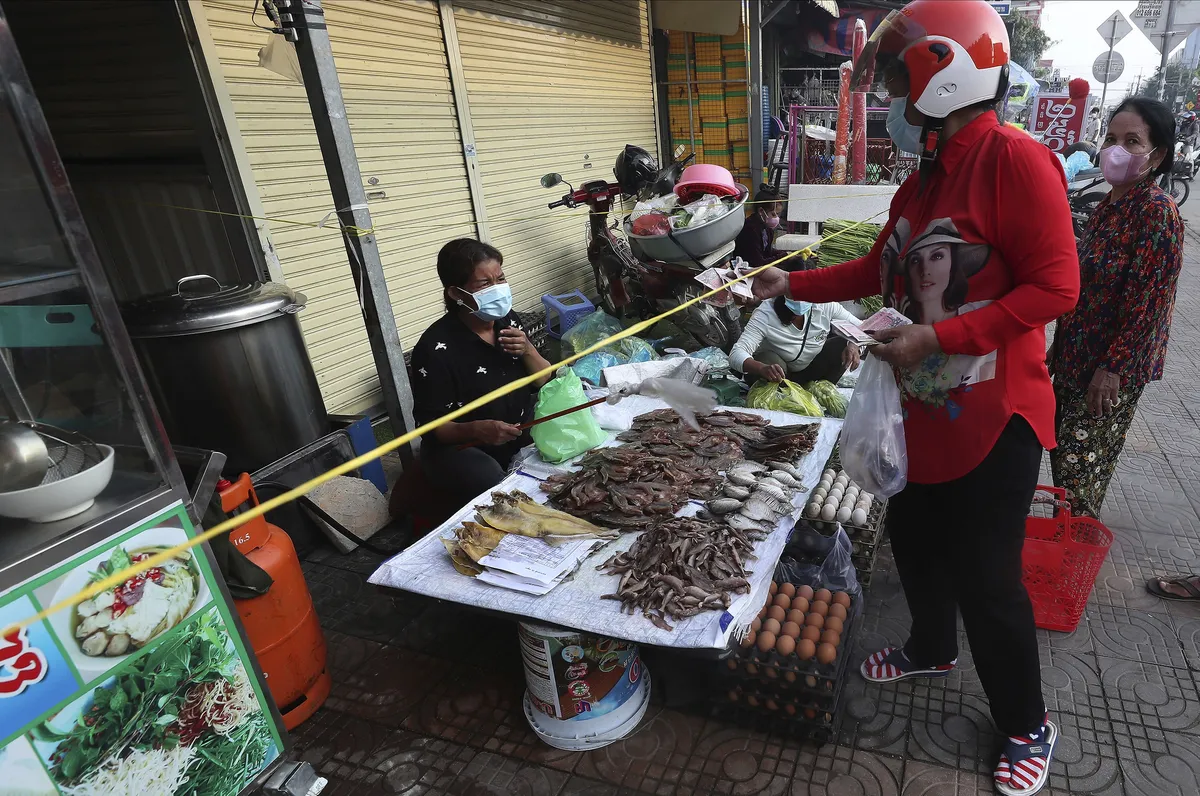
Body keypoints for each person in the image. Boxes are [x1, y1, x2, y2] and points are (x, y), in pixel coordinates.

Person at [751, 3, 1079, 794]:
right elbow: (878, 269)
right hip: (922, 411)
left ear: (947, 73)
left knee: (988, 579)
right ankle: (931, 646)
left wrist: (941, 338)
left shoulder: (1016, 162)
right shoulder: (928, 173)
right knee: (915, 539)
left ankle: (1028, 723)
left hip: (995, 415)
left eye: (900, 77)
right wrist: (788, 282)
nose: (894, 95)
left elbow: (1057, 286)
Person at [1050, 98, 1183, 523]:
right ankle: (1067, 535)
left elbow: (1150, 304)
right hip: (1077, 354)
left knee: (1080, 464)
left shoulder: (1156, 212)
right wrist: (1060, 342)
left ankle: (1072, 548)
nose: (1115, 149)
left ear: (1157, 154)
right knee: (1065, 453)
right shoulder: (1109, 206)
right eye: (1110, 138)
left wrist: (1112, 369)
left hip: (1110, 366)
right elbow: (1085, 284)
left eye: (1132, 141)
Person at [410, 239, 552, 507]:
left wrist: (528, 350)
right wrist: (476, 430)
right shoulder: (436, 349)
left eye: (500, 278)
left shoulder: (508, 321)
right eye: (485, 284)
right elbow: (432, 428)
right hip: (464, 446)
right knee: (502, 495)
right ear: (456, 293)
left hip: (515, 428)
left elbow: (547, 381)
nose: (498, 290)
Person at [730, 292, 861, 385]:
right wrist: (761, 368)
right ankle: (781, 397)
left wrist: (854, 343)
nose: (800, 300)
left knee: (842, 344)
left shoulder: (825, 305)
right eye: (793, 292)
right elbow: (736, 353)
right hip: (777, 376)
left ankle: (819, 391)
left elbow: (863, 328)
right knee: (769, 359)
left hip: (809, 370)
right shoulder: (766, 313)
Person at [734, 185, 787, 269]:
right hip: (748, 269)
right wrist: (782, 257)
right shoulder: (750, 230)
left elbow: (767, 251)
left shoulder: (767, 228)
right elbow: (758, 263)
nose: (776, 218)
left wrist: (786, 254)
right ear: (761, 211)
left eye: (778, 214)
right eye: (773, 214)